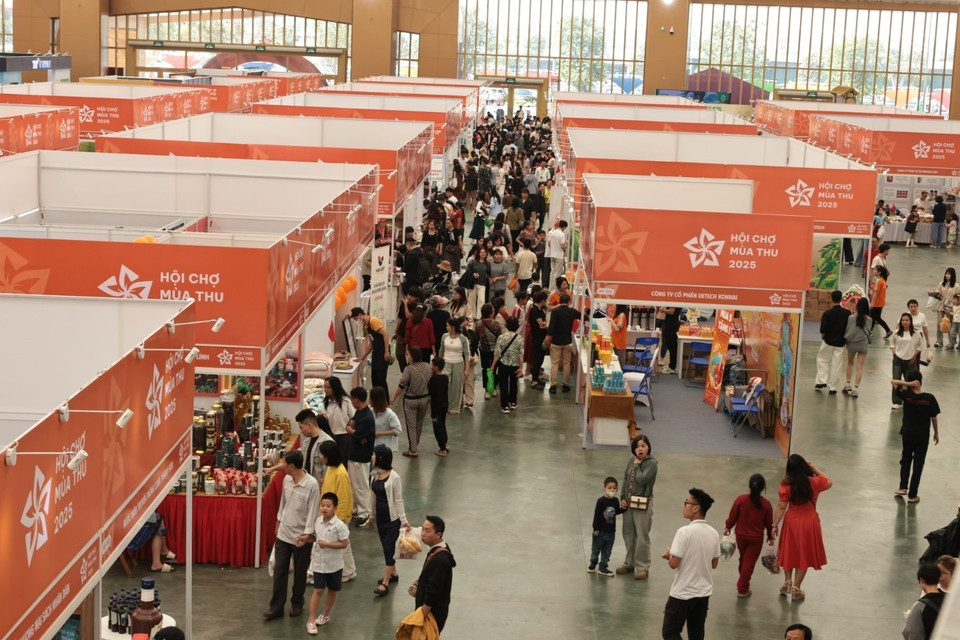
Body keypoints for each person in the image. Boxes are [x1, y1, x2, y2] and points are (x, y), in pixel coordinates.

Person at [264, 450, 320, 620]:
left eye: (284, 463)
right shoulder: (287, 479)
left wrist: (308, 535)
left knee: (300, 573)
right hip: (284, 533)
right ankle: (276, 607)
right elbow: (284, 502)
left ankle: (297, 603)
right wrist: (278, 520)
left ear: (292, 466)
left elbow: (312, 511)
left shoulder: (311, 485)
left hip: (301, 537)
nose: (282, 466)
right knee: (280, 569)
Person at [660, 488, 720, 640]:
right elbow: (714, 563)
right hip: (703, 593)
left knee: (670, 632)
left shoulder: (684, 532)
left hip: (682, 593)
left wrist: (670, 556)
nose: (683, 506)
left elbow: (674, 564)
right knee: (696, 633)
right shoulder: (713, 533)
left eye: (686, 502)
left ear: (696, 507)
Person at [772, 454, 832, 601]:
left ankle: (787, 581)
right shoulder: (814, 482)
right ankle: (796, 588)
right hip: (809, 522)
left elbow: (781, 507)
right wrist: (814, 468)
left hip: (792, 521)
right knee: (803, 555)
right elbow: (829, 482)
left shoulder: (786, 485)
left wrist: (774, 525)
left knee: (788, 551)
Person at [301, 492, 350, 634]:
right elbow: (315, 538)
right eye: (322, 505)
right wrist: (305, 540)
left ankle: (326, 614)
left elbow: (344, 544)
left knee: (333, 589)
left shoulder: (340, 526)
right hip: (319, 563)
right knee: (318, 589)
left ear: (335, 507)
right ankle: (311, 620)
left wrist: (328, 544)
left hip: (334, 564)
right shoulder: (317, 521)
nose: (324, 508)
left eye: (328, 506)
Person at [892, 371, 940, 503]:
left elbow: (893, 382)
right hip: (922, 436)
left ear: (911, 383)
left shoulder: (906, 396)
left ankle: (903, 488)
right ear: (921, 382)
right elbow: (934, 418)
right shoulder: (929, 398)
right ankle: (913, 495)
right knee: (918, 463)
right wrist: (936, 433)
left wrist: (907, 384)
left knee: (906, 459)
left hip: (907, 433)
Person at [723, 474, 773, 598]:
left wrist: (728, 527)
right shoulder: (766, 505)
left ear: (749, 486)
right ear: (763, 488)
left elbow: (732, 516)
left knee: (743, 559)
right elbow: (769, 523)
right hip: (756, 539)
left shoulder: (740, 500)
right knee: (749, 563)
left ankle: (743, 580)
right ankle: (743, 588)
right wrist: (770, 536)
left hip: (740, 536)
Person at [371, 445, 411, 597]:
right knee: (385, 546)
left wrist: (404, 520)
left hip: (392, 519)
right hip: (380, 517)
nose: (372, 457)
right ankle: (393, 573)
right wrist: (371, 516)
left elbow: (398, 500)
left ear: (380, 458)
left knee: (389, 549)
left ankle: (386, 583)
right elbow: (372, 495)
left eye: (374, 455)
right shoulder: (375, 474)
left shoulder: (394, 477)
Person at [617, 435, 658, 580]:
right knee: (628, 534)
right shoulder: (631, 461)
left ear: (648, 447)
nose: (640, 449)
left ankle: (642, 567)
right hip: (628, 502)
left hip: (642, 503)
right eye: (637, 446)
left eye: (643, 446)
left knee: (642, 536)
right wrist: (622, 498)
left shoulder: (651, 463)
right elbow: (625, 479)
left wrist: (637, 465)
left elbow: (641, 479)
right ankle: (629, 563)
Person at [317, 441, 356, 581]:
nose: (320, 456)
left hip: (338, 517)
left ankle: (348, 571)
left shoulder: (340, 473)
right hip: (331, 515)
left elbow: (344, 498)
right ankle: (349, 570)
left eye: (322, 454)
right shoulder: (331, 469)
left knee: (342, 545)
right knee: (344, 545)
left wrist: (338, 520)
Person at [413, 515, 457, 633]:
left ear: (438, 534)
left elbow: (434, 590)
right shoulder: (440, 548)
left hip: (432, 613)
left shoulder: (439, 560)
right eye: (423, 529)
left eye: (427, 530)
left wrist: (421, 616)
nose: (423, 533)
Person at [391, 346, 432, 457]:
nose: (406, 356)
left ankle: (413, 449)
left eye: (408, 354)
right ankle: (415, 443)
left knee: (411, 425)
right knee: (419, 423)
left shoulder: (408, 369)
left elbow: (401, 385)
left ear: (412, 356)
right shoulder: (428, 367)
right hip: (424, 399)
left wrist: (394, 397)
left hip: (411, 400)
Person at [345, 386, 375, 527]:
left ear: (356, 400)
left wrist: (353, 431)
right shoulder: (359, 412)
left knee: (361, 485)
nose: (351, 401)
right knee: (354, 484)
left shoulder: (367, 417)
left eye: (352, 399)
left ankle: (365, 513)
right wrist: (354, 431)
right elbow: (351, 426)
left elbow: (357, 434)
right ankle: (357, 508)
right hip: (354, 453)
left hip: (361, 457)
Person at [588, 476, 624, 578]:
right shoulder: (601, 501)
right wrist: (595, 529)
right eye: (609, 488)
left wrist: (624, 509)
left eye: (614, 488)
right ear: (604, 489)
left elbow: (615, 512)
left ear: (617, 489)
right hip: (599, 532)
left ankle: (603, 568)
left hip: (611, 532)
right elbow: (597, 515)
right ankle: (592, 564)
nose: (612, 490)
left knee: (607, 552)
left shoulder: (616, 501)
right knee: (595, 551)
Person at [814, 290, 850, 394]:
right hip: (840, 343)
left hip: (828, 342)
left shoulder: (827, 313)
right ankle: (833, 388)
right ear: (841, 299)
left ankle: (821, 381)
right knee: (836, 365)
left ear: (831, 299)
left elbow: (823, 331)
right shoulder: (847, 313)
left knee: (822, 360)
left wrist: (824, 337)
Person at [350, 307, 392, 392]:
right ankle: (376, 401)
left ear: (359, 315)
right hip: (376, 352)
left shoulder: (373, 321)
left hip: (383, 351)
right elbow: (371, 344)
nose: (356, 321)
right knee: (375, 378)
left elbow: (385, 334)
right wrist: (362, 357)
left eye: (355, 318)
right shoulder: (367, 326)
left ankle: (384, 402)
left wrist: (386, 351)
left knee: (381, 379)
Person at [902, 564, 945, 640]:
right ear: (938, 579)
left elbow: (912, 634)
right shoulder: (949, 600)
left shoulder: (919, 607)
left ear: (922, 580)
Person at [546, 293, 578, 394]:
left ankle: (553, 386)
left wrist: (547, 338)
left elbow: (551, 326)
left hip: (556, 341)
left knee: (554, 364)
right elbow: (584, 316)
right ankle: (565, 385)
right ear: (569, 302)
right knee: (566, 364)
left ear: (559, 301)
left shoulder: (555, 311)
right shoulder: (572, 311)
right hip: (567, 341)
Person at [891, 313, 924, 410]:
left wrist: (914, 357)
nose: (905, 322)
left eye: (907, 320)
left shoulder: (916, 333)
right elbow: (892, 343)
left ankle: (910, 400)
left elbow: (920, 346)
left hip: (910, 360)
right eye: (903, 320)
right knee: (896, 379)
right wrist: (894, 352)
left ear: (910, 322)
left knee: (910, 381)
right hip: (898, 360)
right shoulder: (897, 332)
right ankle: (897, 401)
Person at [295, 409, 334, 486]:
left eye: (301, 428)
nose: (301, 431)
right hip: (306, 485)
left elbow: (328, 470)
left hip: (319, 487)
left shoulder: (327, 442)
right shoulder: (306, 442)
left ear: (309, 425)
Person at [843, 298, 874, 397]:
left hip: (852, 343)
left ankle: (848, 384)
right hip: (863, 344)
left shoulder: (851, 318)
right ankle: (856, 389)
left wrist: (847, 342)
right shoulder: (869, 320)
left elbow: (848, 331)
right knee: (860, 367)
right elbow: (869, 332)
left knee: (850, 363)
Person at [492, 316, 523, 413]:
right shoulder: (519, 338)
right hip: (515, 364)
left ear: (506, 326)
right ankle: (513, 402)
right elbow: (521, 354)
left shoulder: (501, 337)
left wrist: (493, 365)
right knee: (514, 383)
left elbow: (497, 353)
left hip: (503, 364)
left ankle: (505, 406)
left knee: (503, 384)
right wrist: (521, 367)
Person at [321, 377, 355, 464]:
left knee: (343, 461)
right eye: (325, 387)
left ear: (335, 387)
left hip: (344, 436)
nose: (326, 390)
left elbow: (353, 417)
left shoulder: (346, 401)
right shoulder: (325, 403)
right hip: (330, 436)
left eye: (328, 387)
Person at [438, 318, 468, 416]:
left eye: (447, 326)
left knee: (456, 386)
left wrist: (466, 369)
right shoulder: (444, 336)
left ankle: (454, 407)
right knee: (445, 385)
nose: (446, 327)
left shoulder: (463, 338)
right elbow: (441, 351)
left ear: (453, 327)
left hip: (458, 364)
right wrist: (438, 364)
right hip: (446, 363)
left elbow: (467, 354)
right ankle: (444, 405)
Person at [477, 303, 502, 400]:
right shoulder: (496, 324)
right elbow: (500, 337)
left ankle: (487, 390)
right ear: (491, 313)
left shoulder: (479, 324)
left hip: (483, 349)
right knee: (494, 368)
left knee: (485, 369)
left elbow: (476, 337)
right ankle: (494, 388)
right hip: (495, 350)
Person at [428, 357, 450, 455]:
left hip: (436, 407)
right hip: (444, 405)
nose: (431, 367)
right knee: (442, 425)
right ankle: (445, 443)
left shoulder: (434, 379)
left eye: (432, 365)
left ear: (436, 367)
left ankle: (442, 449)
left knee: (437, 427)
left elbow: (430, 391)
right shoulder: (445, 378)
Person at [394, 288, 420, 372]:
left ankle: (411, 371)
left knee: (411, 355)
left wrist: (405, 305)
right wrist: (395, 331)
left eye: (412, 296)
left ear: (416, 298)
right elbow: (400, 319)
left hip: (412, 334)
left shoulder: (417, 306)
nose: (409, 297)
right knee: (399, 354)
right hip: (401, 332)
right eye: (409, 295)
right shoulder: (403, 304)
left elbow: (409, 317)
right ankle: (405, 371)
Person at [528, 291, 549, 389]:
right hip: (537, 338)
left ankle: (536, 378)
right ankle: (534, 380)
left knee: (540, 359)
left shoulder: (540, 309)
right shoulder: (535, 310)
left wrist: (545, 323)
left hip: (541, 337)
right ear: (542, 300)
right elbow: (541, 325)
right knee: (537, 360)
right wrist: (546, 324)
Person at [370, 386, 402, 451]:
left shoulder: (390, 415)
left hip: (385, 448)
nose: (369, 400)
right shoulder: (370, 411)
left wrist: (380, 433)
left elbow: (398, 430)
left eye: (371, 398)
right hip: (373, 446)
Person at [934, 268, 959, 347]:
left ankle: (951, 343)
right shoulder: (941, 284)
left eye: (949, 274)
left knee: (949, 325)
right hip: (941, 307)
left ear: (953, 275)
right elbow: (937, 292)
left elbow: (958, 297)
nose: (947, 275)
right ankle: (939, 341)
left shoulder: (956, 286)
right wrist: (936, 294)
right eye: (946, 273)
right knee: (939, 324)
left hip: (950, 308)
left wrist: (955, 303)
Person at [870, 265, 892, 339]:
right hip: (880, 302)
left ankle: (888, 330)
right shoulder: (882, 280)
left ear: (879, 272)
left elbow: (876, 293)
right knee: (873, 317)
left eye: (875, 270)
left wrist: (872, 303)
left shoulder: (879, 281)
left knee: (876, 318)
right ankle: (870, 331)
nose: (873, 270)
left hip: (877, 303)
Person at [544, 220, 568, 287]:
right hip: (559, 256)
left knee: (552, 272)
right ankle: (555, 288)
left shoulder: (552, 232)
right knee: (557, 273)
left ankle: (550, 287)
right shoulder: (562, 235)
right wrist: (566, 246)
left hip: (552, 255)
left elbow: (549, 243)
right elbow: (562, 246)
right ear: (564, 227)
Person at [660, 307, 682, 374]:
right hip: (672, 324)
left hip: (671, 325)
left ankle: (672, 366)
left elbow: (671, 312)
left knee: (672, 346)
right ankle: (672, 365)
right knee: (672, 346)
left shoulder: (674, 302)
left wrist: (663, 310)